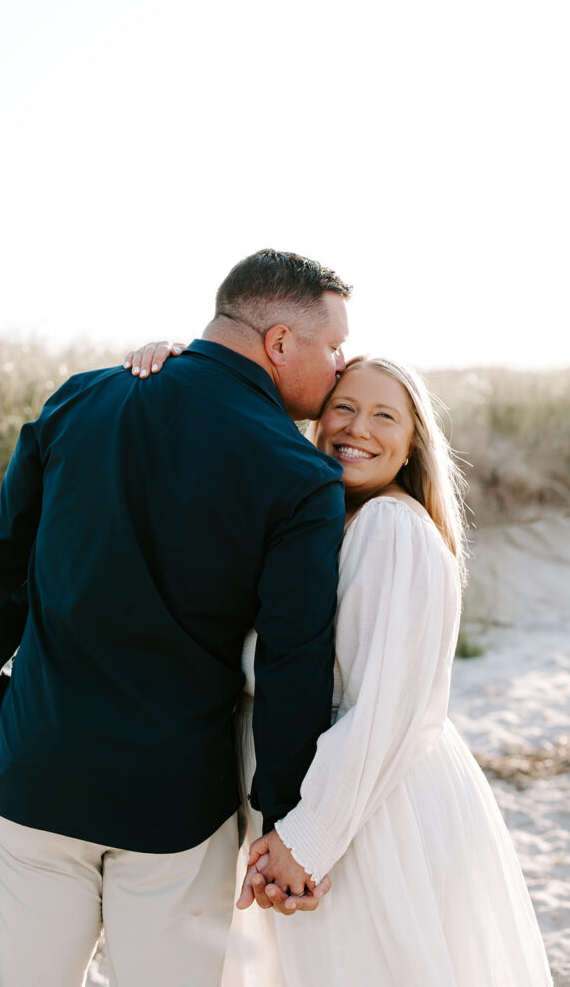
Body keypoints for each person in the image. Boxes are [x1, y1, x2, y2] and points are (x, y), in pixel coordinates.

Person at [0, 248, 351, 987]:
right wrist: (281, 820)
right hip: (174, 807)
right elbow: (292, 661)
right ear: (279, 343)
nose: (338, 366)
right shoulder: (300, 476)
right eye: (333, 347)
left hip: (36, 770)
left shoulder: (79, 398)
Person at [127, 346, 553, 985]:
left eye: (386, 417)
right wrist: (184, 360)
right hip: (325, 792)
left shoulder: (390, 528)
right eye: (343, 408)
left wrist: (309, 838)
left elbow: (382, 708)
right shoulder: (319, 523)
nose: (358, 429)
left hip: (367, 806)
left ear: (412, 446)